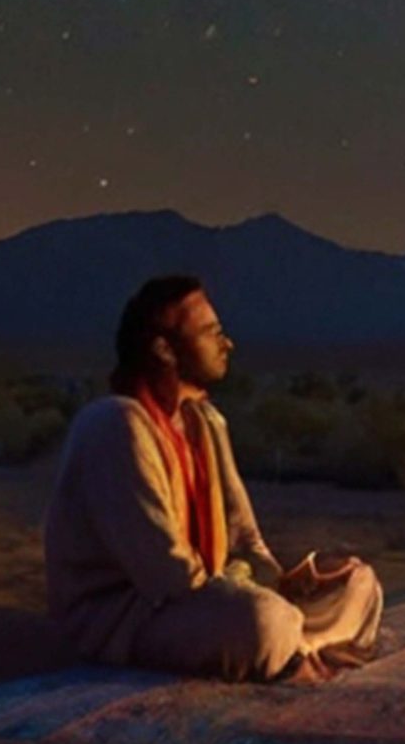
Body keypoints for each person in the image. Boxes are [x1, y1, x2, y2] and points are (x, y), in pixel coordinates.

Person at [43, 275, 383, 682]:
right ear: (164, 348)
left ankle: (295, 649)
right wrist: (255, 593)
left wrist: (284, 581)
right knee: (263, 619)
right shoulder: (116, 423)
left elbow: (244, 537)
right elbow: (166, 572)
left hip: (204, 600)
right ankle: (296, 649)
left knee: (358, 583)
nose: (227, 344)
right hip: (130, 618)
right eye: (211, 333)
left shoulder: (205, 422)